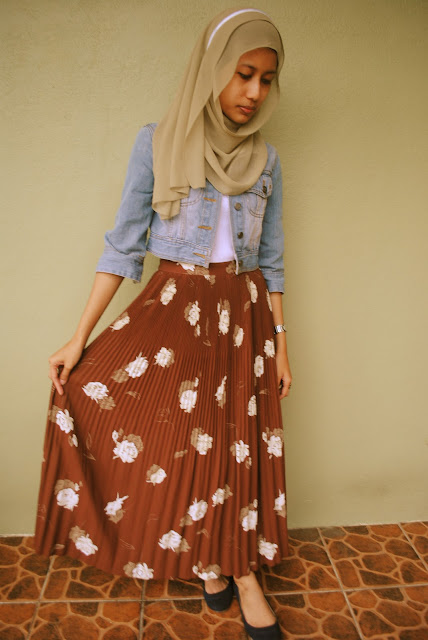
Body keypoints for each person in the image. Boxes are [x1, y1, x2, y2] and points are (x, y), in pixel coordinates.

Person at [35, 8, 292, 639]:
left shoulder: (266, 161)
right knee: (186, 440)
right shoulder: (157, 142)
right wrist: (79, 336)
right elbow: (123, 246)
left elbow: (273, 260)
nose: (254, 92)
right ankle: (213, 561)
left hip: (246, 318)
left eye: (266, 79)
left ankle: (238, 571)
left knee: (233, 445)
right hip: (177, 309)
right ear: (212, 70)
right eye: (243, 74)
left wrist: (282, 345)